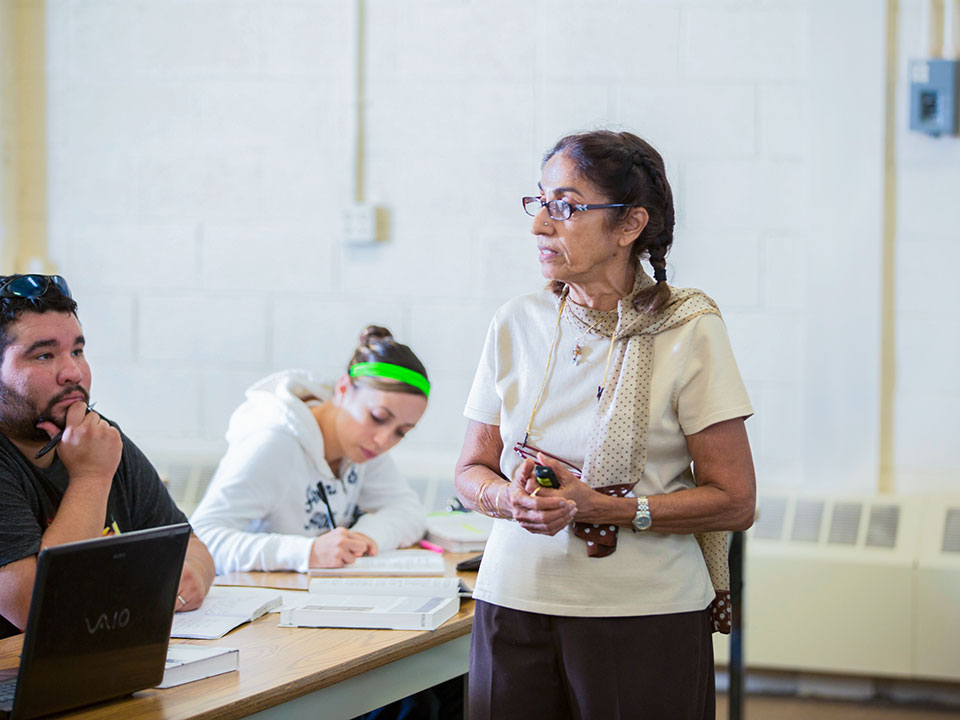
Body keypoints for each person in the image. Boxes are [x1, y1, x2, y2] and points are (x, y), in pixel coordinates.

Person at [455, 130, 757, 720]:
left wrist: (606, 509)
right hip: (513, 600)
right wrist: (505, 500)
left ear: (628, 225)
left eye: (566, 206)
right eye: (539, 202)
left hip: (644, 614)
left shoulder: (688, 327)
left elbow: (734, 501)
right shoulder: (516, 321)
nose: (541, 225)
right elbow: (471, 469)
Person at [0, 273, 215, 640]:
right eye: (44, 355)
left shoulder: (97, 437)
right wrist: (90, 479)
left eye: (78, 351)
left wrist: (191, 573)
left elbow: (191, 547)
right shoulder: (93, 458)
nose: (73, 372)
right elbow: (38, 607)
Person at [191, 326, 429, 573]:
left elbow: (409, 510)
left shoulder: (363, 447)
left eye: (402, 432)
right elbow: (202, 539)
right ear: (344, 388)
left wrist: (364, 537)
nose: (384, 440)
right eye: (378, 417)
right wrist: (306, 552)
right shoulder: (273, 443)